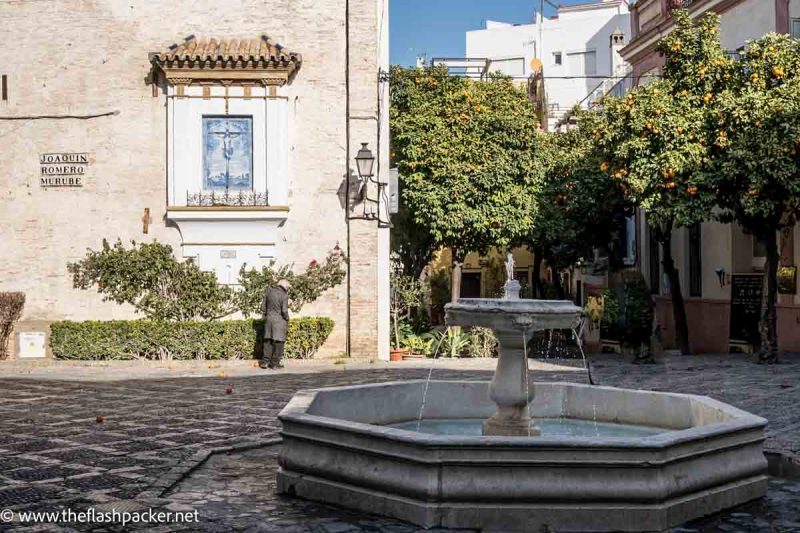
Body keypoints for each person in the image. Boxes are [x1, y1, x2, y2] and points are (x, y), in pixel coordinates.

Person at [260, 279, 290, 369]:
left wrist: (269, 313)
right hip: (279, 321)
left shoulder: (268, 292)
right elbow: (284, 310)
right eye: (288, 287)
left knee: (268, 341)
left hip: (269, 320)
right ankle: (274, 363)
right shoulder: (284, 295)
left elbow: (262, 307)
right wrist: (287, 318)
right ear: (285, 286)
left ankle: (265, 362)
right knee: (279, 342)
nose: (288, 289)